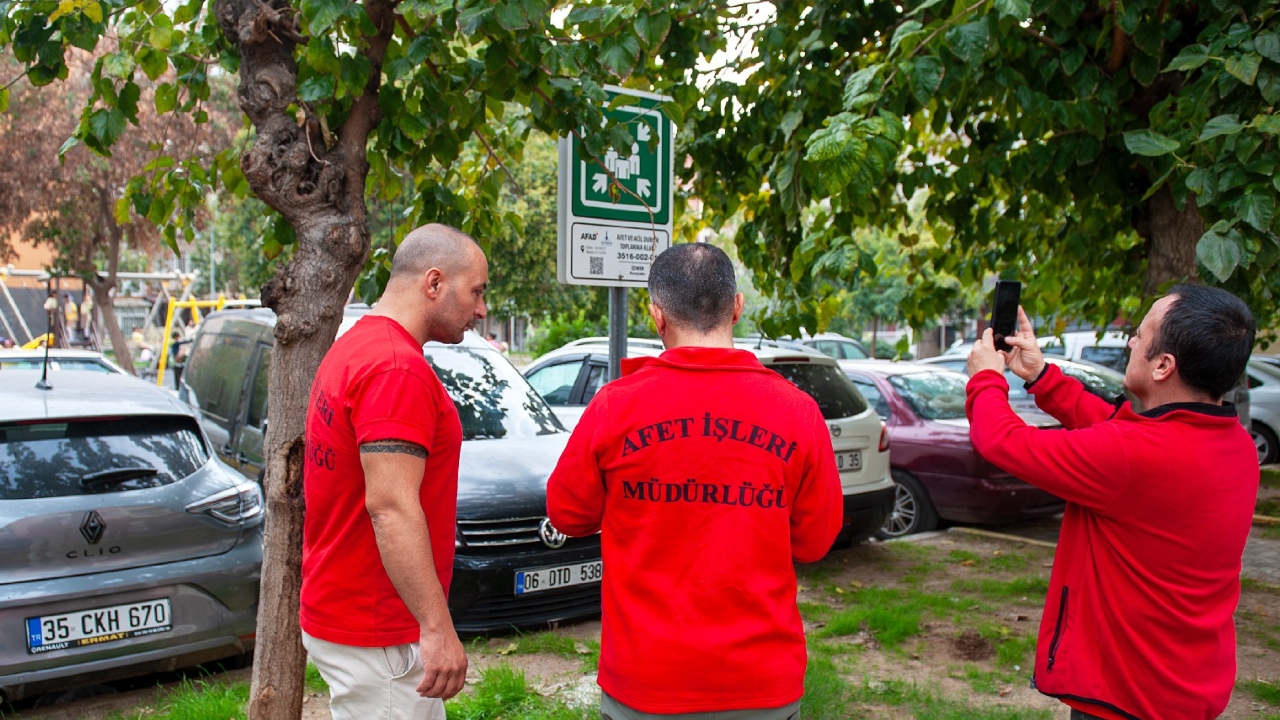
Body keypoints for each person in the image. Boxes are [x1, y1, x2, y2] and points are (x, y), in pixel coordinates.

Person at [546, 242, 843, 718]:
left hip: (646, 682)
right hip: (762, 681)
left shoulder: (615, 407)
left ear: (656, 316)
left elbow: (568, 514)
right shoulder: (798, 412)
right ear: (738, 307)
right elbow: (813, 542)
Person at [965, 285, 1257, 720]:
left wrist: (985, 376)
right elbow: (1119, 429)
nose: (1131, 342)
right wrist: (1041, 375)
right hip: (1187, 688)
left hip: (1124, 696)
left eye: (1140, 335)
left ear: (1163, 365)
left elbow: (1001, 440)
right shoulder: (1236, 444)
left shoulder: (1129, 456)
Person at [301, 224, 488, 720]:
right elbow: (390, 507)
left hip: (353, 612)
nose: (481, 309)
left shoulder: (357, 343)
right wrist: (437, 627)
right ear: (434, 283)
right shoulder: (393, 368)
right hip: (377, 625)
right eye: (477, 291)